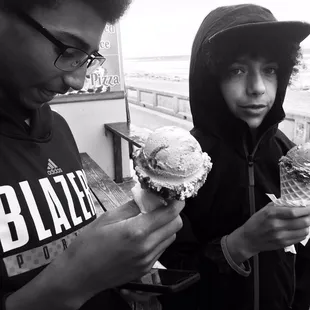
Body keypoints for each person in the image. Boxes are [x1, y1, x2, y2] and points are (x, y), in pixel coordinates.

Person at [0, 1, 185, 310]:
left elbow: (70, 241)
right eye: (68, 49)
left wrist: (115, 275)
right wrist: (77, 281)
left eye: (87, 59)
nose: (77, 81)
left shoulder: (58, 128)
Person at [159, 4, 310, 310]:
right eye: (237, 70)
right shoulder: (182, 164)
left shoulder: (290, 157)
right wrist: (239, 244)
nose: (257, 88)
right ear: (210, 78)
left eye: (269, 70)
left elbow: (303, 258)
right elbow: (171, 273)